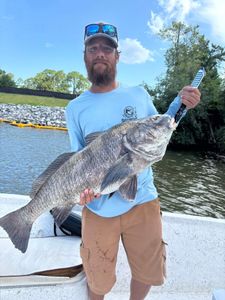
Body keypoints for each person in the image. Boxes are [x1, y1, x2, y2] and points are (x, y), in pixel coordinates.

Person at [65, 22, 201, 300]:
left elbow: (162, 126)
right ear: (85, 56)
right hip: (99, 210)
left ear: (117, 56)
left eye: (107, 48)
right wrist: (81, 195)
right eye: (93, 48)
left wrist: (182, 103)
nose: (100, 53)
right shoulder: (74, 108)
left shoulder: (138, 94)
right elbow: (77, 161)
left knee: (147, 272)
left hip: (144, 202)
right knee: (98, 281)